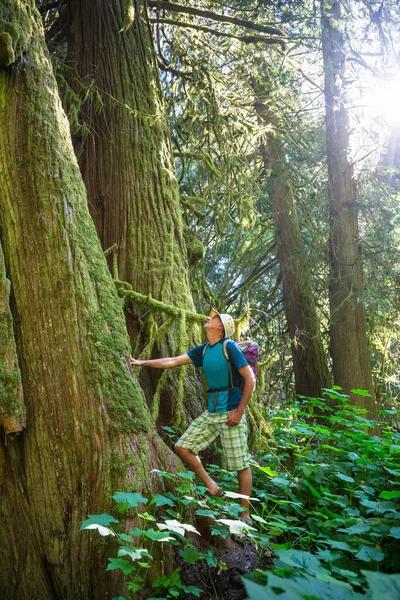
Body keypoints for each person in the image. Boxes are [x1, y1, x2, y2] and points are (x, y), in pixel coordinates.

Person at [130, 309, 255, 521]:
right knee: (182, 447)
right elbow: (172, 361)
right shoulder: (204, 350)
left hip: (231, 411)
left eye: (213, 318)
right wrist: (142, 363)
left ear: (220, 327)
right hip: (212, 412)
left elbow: (250, 379)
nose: (209, 317)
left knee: (241, 464)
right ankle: (212, 486)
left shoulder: (229, 347)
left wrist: (239, 412)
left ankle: (245, 513)